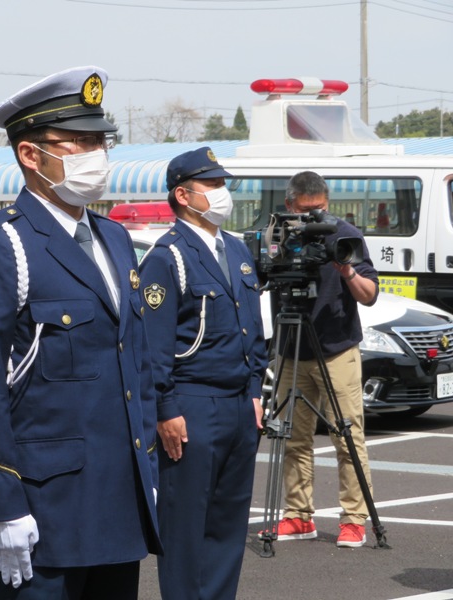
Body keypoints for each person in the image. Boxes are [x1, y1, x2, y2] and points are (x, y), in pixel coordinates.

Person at [0, 66, 161, 600]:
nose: (97, 154)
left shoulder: (114, 239)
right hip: (43, 508)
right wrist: (2, 505)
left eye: (101, 142)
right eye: (79, 142)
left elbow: (134, 363)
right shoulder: (1, 245)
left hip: (118, 501)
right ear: (30, 154)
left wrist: (150, 472)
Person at [138, 147, 267, 600]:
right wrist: (165, 407)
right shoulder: (168, 256)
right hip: (192, 404)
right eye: (211, 185)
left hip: (238, 403)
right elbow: (153, 344)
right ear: (183, 195)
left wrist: (255, 388)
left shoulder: (235, 248)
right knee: (186, 527)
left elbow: (253, 328)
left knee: (228, 526)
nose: (221, 192)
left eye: (221, 183)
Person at [269, 170, 378, 548]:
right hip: (291, 347)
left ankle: (354, 519)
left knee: (347, 437)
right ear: (289, 205)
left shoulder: (344, 234)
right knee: (293, 438)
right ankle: (298, 515)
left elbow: (369, 295)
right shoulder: (277, 233)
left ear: (328, 203)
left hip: (336, 348)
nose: (314, 218)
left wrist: (346, 270)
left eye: (320, 210)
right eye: (305, 211)